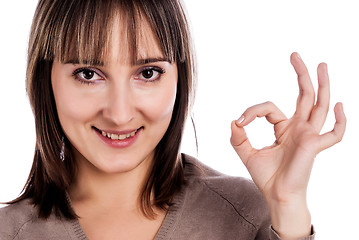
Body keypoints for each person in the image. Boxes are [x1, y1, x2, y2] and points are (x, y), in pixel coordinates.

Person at [0, 0, 346, 239]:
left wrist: (288, 210)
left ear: (180, 77)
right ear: (46, 79)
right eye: (88, 74)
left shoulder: (246, 215)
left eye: (148, 72)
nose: (119, 114)